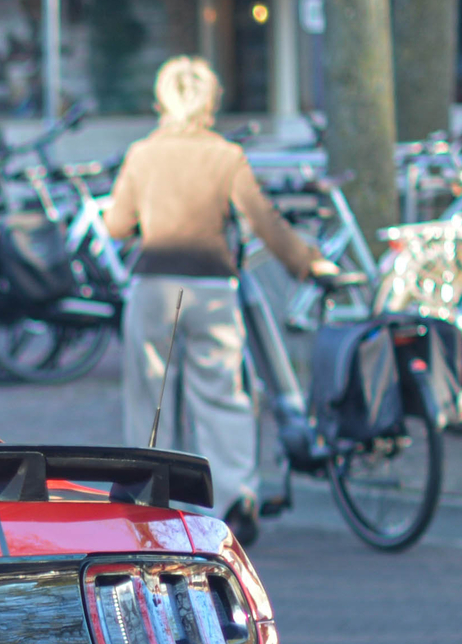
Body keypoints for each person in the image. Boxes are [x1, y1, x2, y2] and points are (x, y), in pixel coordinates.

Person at [102, 55, 337, 546]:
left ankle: (148, 502)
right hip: (212, 287)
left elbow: (117, 225)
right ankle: (233, 499)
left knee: (152, 398)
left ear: (160, 101)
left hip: (155, 286)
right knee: (224, 395)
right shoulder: (226, 155)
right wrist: (305, 262)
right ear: (211, 102)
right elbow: (263, 219)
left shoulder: (142, 155)